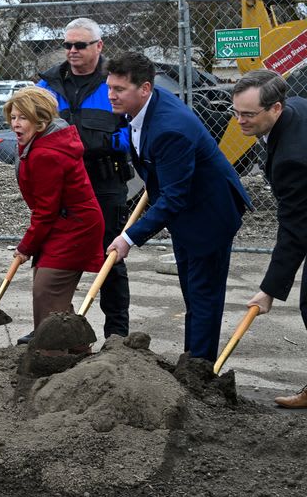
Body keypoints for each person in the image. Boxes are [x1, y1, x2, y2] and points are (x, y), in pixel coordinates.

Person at [104, 53, 251, 361]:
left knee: (203, 296)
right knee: (194, 294)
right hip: (185, 212)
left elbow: (174, 197)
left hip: (209, 214)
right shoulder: (144, 108)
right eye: (109, 87)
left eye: (119, 89)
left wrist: (129, 238)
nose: (111, 95)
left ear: (144, 88)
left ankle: (200, 369)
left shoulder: (170, 127)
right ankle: (193, 357)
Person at [37, 18, 133, 340]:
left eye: (80, 45)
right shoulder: (48, 85)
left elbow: (133, 132)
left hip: (105, 182)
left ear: (99, 46)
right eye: (68, 45)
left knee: (110, 256)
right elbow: (30, 123)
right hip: (60, 184)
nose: (72, 51)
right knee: (52, 253)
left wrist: (99, 144)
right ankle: (51, 330)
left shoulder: (116, 83)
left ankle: (116, 335)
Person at [229, 69, 307, 408]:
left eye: (248, 114)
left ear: (275, 108)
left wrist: (270, 290)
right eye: (236, 112)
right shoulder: (296, 108)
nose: (240, 121)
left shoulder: (292, 158)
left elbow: (294, 229)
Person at [3, 86, 105, 332]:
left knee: (47, 291)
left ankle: (51, 355)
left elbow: (46, 210)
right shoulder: (38, 144)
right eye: (13, 117)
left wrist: (26, 246)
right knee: (50, 293)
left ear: (41, 121)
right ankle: (77, 349)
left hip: (75, 227)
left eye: (23, 117)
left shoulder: (46, 153)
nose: (15, 124)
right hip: (63, 223)